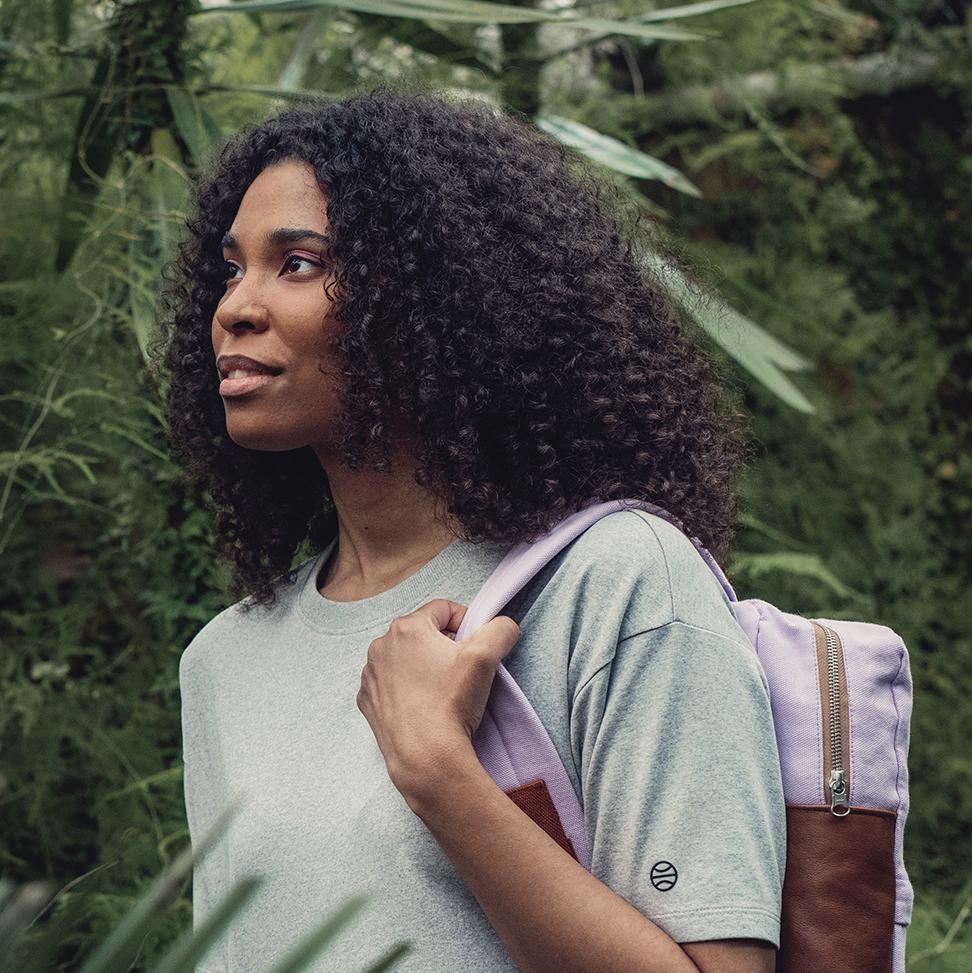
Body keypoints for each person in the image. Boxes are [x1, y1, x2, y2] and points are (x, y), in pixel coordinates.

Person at [152, 83, 786, 973]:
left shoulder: (615, 586)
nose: (235, 307)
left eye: (296, 262)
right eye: (232, 268)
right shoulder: (224, 660)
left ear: (430, 299)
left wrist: (439, 773)